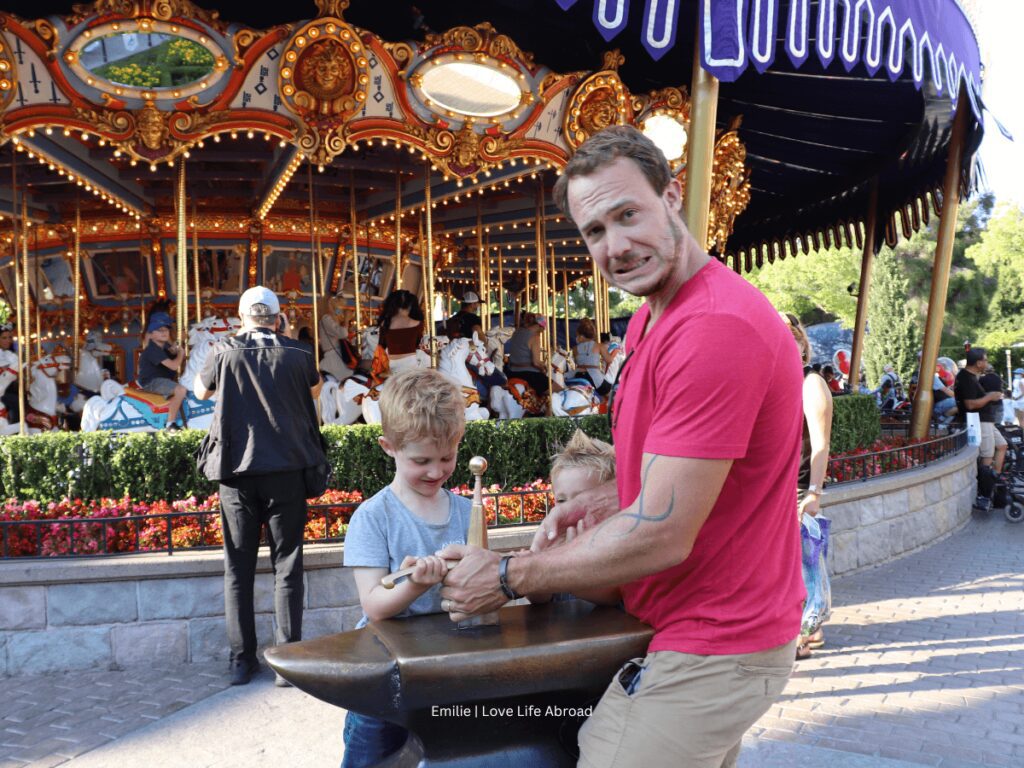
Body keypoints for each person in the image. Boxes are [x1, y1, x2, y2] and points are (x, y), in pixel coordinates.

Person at [438, 125, 804, 768]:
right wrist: (611, 496)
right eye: (595, 231)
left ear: (670, 198)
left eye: (627, 214)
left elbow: (662, 533)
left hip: (716, 637)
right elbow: (692, 470)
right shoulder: (648, 317)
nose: (615, 245)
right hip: (686, 624)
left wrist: (507, 574)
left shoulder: (713, 326)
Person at [194, 286, 325, 686]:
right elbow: (315, 393)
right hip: (287, 468)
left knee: (238, 568)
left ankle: (241, 659)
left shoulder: (222, 350)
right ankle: (287, 660)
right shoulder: (301, 353)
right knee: (287, 564)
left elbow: (201, 392)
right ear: (278, 317)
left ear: (241, 317)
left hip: (236, 471)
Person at [340, 368, 471, 768]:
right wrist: (415, 584)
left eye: (447, 457)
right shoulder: (373, 517)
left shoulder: (467, 512)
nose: (436, 471)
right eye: (421, 460)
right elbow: (375, 605)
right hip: (385, 677)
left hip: (448, 668)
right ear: (388, 446)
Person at [781, 313, 833, 660]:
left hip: (799, 489)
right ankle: (810, 630)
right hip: (779, 490)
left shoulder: (809, 382)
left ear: (801, 343)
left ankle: (804, 632)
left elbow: (820, 444)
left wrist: (813, 492)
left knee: (803, 565)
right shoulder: (779, 382)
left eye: (789, 336)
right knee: (792, 565)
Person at [527, 429, 621, 607]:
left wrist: (564, 570)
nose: (567, 511)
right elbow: (538, 598)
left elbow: (617, 596)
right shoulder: (555, 539)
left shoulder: (617, 542)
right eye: (561, 500)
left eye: (581, 501)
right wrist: (536, 559)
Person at [137, 312, 187, 430]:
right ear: (152, 334)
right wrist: (180, 353)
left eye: (166, 330)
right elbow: (174, 366)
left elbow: (172, 351)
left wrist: (177, 347)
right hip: (152, 382)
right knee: (181, 390)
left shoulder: (163, 348)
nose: (164, 332)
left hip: (162, 381)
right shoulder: (152, 350)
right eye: (159, 330)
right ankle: (170, 424)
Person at [377, 289, 425, 375]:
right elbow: (417, 344)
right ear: (410, 305)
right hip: (409, 362)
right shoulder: (416, 323)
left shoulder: (385, 323)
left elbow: (381, 345)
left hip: (391, 363)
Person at [505, 312, 550, 396]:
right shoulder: (535, 337)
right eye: (543, 329)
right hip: (529, 374)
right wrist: (544, 367)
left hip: (511, 372)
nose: (542, 331)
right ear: (540, 326)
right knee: (557, 390)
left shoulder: (517, 332)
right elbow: (536, 362)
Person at [979, 364, 1008, 473]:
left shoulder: (981, 379)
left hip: (987, 413)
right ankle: (992, 478)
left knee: (999, 446)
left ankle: (994, 476)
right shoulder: (997, 378)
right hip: (992, 411)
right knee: (989, 451)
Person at [572, 318, 613, 395]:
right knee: (611, 392)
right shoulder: (599, 346)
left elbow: (576, 362)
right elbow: (609, 360)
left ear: (580, 335)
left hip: (578, 376)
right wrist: (615, 351)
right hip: (595, 378)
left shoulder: (574, 349)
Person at [0, 322, 19, 422]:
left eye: (9, 337)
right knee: (15, 402)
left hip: (10, 389)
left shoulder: (9, 354)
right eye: (4, 338)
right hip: (2, 391)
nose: (8, 340)